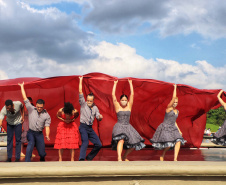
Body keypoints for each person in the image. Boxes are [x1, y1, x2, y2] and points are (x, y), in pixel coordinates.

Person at [150, 84, 186, 161]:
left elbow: (175, 121)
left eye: (176, 102)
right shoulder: (168, 108)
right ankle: (162, 155)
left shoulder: (177, 111)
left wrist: (179, 130)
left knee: (179, 140)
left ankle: (175, 158)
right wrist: (175, 88)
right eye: (174, 102)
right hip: (165, 127)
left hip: (173, 127)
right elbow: (173, 97)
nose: (175, 103)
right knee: (169, 144)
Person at [112, 79, 146, 161]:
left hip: (128, 127)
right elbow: (113, 95)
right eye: (122, 100)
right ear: (120, 101)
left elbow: (132, 94)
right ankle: (119, 158)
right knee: (121, 140)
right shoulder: (118, 107)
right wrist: (115, 83)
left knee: (134, 143)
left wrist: (130, 83)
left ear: (127, 101)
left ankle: (124, 156)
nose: (124, 101)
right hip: (119, 126)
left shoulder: (129, 106)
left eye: (125, 100)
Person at [18, 82, 51, 162]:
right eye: (38, 107)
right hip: (31, 132)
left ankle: (42, 159)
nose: (39, 108)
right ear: (36, 105)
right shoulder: (31, 109)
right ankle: (27, 162)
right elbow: (25, 98)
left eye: (41, 107)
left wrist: (47, 135)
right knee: (31, 142)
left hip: (39, 134)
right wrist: (22, 86)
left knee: (42, 153)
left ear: (43, 106)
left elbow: (47, 126)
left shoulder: (46, 115)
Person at [78, 76, 103, 161]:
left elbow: (98, 116)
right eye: (88, 100)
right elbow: (80, 92)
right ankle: (81, 159)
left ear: (93, 101)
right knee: (85, 141)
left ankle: (89, 157)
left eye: (90, 101)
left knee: (99, 144)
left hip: (90, 128)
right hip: (83, 127)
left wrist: (100, 117)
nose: (88, 102)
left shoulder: (95, 108)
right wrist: (81, 80)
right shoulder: (83, 104)